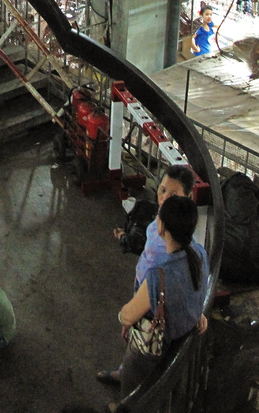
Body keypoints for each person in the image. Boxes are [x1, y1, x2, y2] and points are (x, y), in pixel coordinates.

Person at [100, 164, 195, 383]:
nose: (164, 198)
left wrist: (129, 318)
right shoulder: (162, 226)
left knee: (142, 357)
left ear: (187, 198)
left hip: (153, 312)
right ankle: (126, 373)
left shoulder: (172, 255)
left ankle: (127, 396)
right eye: (162, 190)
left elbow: (131, 312)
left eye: (173, 195)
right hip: (145, 295)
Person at [111, 195, 209, 407]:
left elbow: (129, 314)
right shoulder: (200, 254)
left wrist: (123, 318)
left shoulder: (160, 275)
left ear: (162, 228)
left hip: (154, 349)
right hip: (181, 342)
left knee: (134, 389)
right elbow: (196, 290)